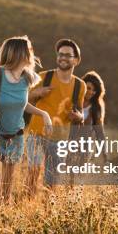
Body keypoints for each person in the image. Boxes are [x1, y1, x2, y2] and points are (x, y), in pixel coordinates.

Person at [0, 36, 52, 202]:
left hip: (15, 136)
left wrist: (44, 114)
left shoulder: (27, 78)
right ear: (19, 52)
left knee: (6, 189)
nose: (32, 52)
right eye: (29, 49)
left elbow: (22, 105)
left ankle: (1, 218)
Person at [25, 39, 87, 195]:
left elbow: (79, 114)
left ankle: (47, 211)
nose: (63, 57)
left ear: (76, 60)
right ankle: (26, 207)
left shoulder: (80, 86)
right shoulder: (43, 77)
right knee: (32, 174)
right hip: (36, 134)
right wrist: (36, 93)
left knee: (52, 182)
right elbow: (24, 102)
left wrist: (78, 117)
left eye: (68, 55)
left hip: (60, 140)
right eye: (60, 54)